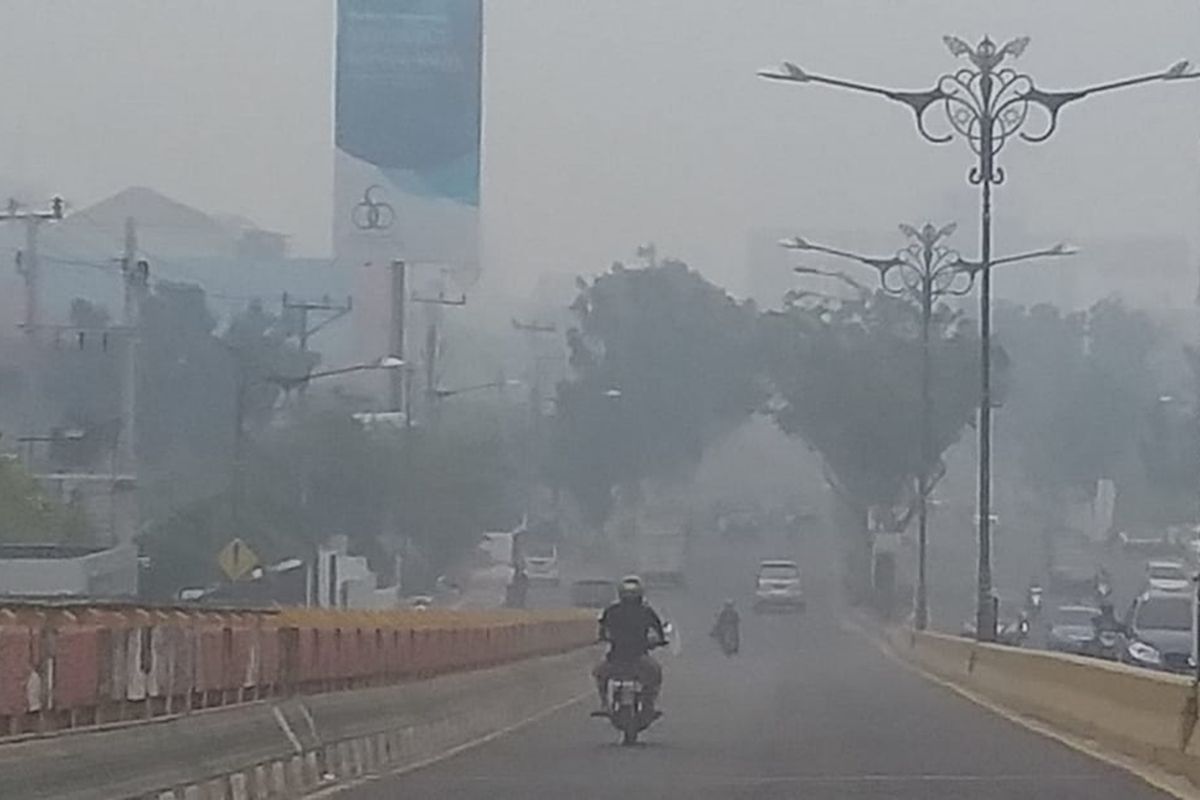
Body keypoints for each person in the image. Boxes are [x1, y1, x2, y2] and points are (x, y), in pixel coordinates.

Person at [593, 575, 666, 715]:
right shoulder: (646, 611)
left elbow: (602, 631)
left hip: (616, 658)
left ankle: (604, 703)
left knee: (599, 674)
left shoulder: (611, 611)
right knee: (655, 675)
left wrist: (603, 638)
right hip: (638, 658)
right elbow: (658, 630)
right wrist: (659, 641)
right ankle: (649, 705)